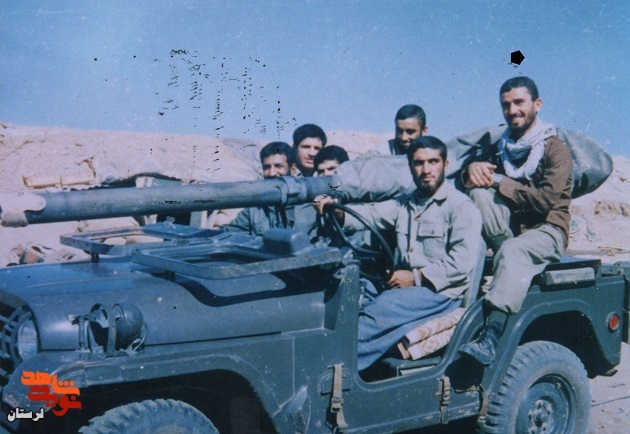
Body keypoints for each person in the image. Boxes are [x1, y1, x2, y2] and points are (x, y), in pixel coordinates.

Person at [315, 136, 482, 370]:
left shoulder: (460, 207)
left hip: (440, 292)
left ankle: (334, 367)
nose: (426, 170)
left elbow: (462, 263)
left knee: (378, 312)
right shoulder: (405, 204)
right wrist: (336, 210)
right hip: (407, 287)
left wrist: (416, 277)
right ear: (410, 167)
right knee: (351, 292)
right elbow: (371, 214)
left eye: (433, 162)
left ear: (445, 165)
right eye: (419, 163)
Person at [458, 76, 573, 366]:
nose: (512, 110)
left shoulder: (555, 148)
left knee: (513, 251)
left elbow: (544, 201)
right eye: (506, 105)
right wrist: (471, 170)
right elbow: (472, 180)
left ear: (537, 104)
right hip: (510, 233)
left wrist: (499, 180)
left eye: (519, 102)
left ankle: (491, 336)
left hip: (547, 231)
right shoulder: (501, 147)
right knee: (477, 193)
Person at [222, 141, 316, 237]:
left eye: (278, 166)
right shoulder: (255, 209)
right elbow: (227, 233)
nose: (272, 173)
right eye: (267, 167)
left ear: (293, 169)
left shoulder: (310, 204)